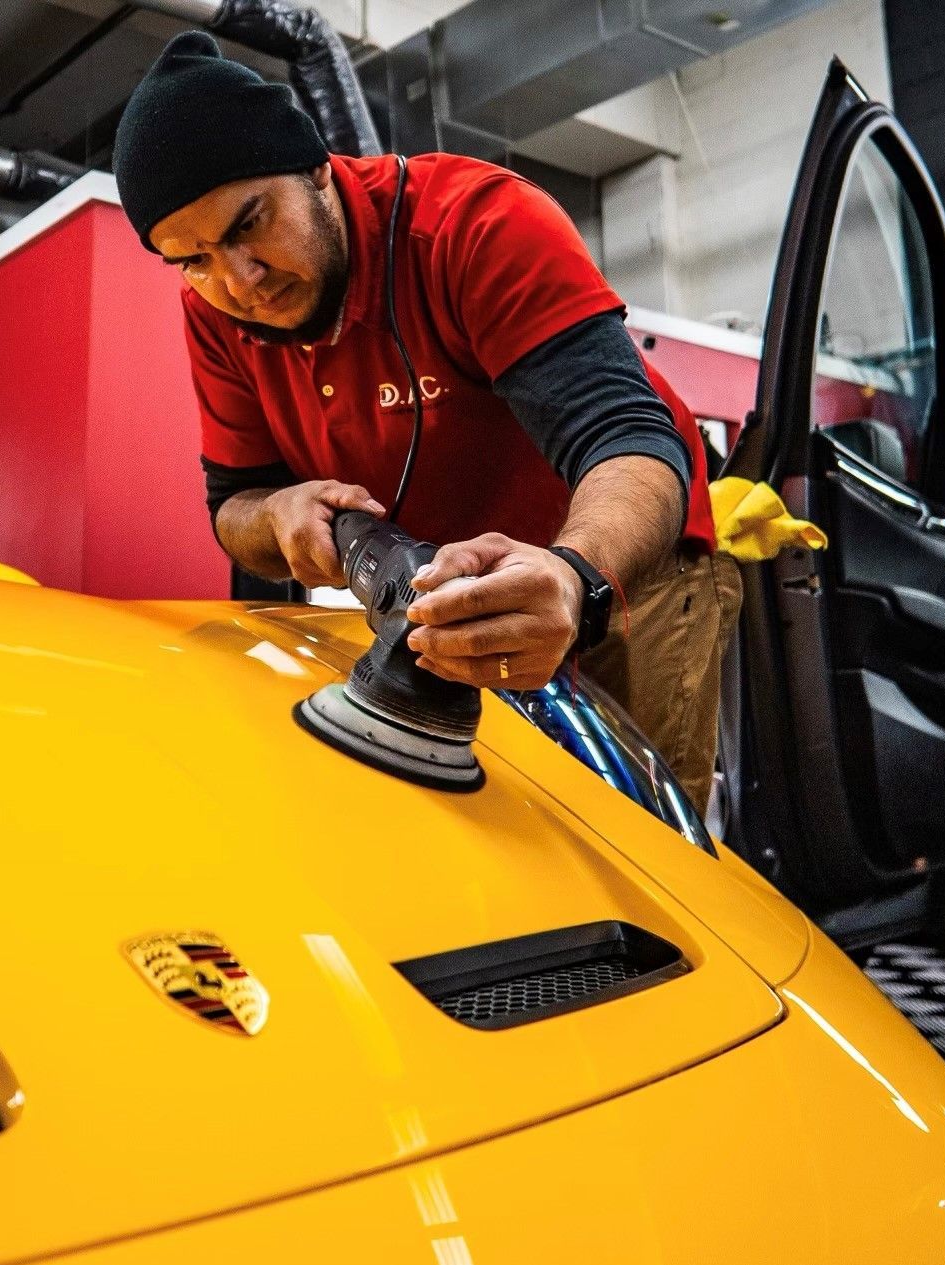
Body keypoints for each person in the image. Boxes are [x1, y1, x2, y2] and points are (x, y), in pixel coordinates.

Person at [112, 31, 742, 811]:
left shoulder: (473, 226)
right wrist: (275, 513)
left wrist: (572, 578)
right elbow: (233, 502)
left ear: (315, 168)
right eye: (192, 259)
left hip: (625, 564)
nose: (238, 282)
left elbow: (627, 438)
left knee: (641, 847)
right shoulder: (214, 313)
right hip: (451, 590)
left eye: (248, 225)